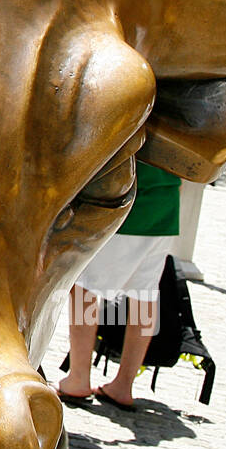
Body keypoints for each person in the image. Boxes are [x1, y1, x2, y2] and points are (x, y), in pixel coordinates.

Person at [55, 161, 179, 410]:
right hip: (165, 203)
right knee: (145, 294)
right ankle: (124, 384)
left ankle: (78, 377)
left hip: (125, 200)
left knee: (84, 289)